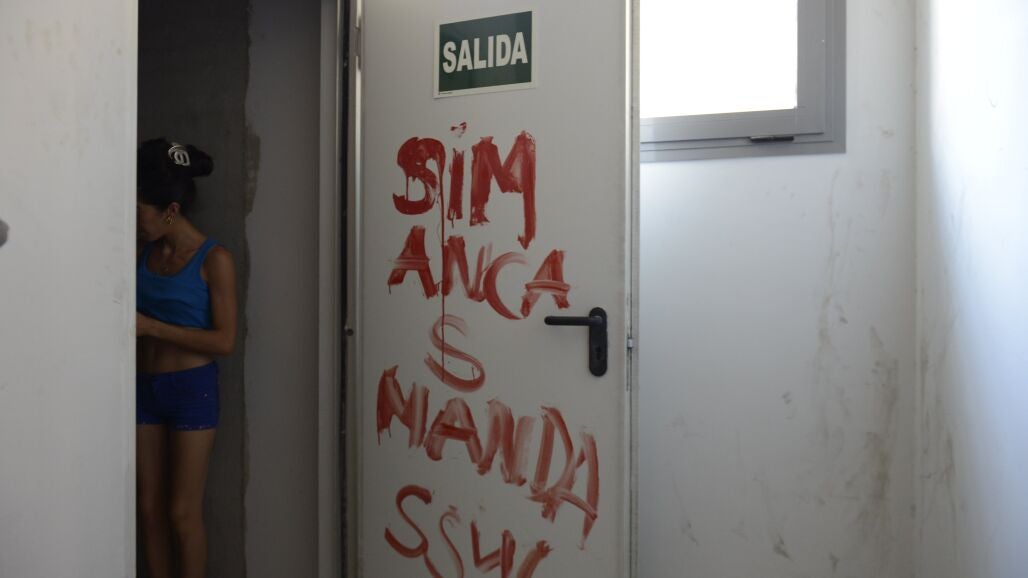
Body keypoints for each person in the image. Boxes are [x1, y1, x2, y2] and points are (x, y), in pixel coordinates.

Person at [135, 138, 237, 578]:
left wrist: (151, 327)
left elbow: (225, 341)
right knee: (149, 508)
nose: (134, 222)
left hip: (192, 390)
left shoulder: (215, 259)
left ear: (170, 211)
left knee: (181, 512)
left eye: (140, 212)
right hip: (144, 388)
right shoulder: (141, 251)